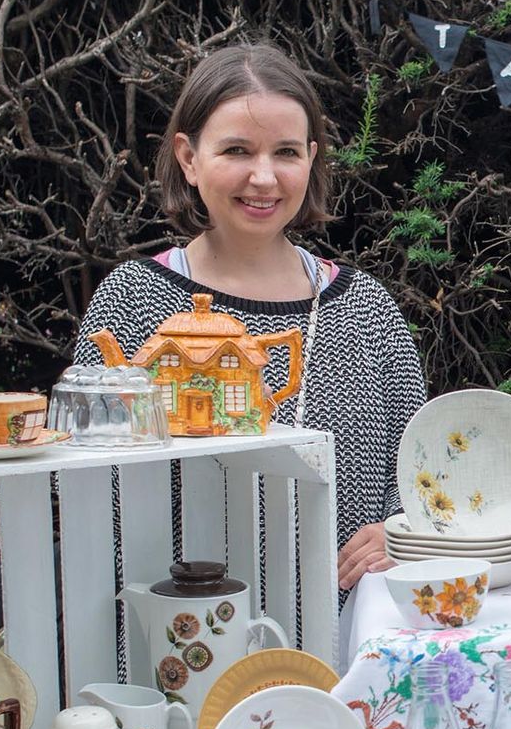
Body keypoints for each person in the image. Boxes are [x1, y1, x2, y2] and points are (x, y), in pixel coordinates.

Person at [74, 43, 424, 592]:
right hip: (179, 631)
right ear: (189, 158)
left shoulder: (368, 310)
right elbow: (88, 487)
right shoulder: (133, 300)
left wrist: (403, 532)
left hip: (342, 635)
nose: (264, 178)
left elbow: (424, 469)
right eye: (237, 150)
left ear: (311, 157)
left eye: (285, 152)